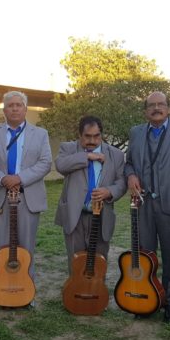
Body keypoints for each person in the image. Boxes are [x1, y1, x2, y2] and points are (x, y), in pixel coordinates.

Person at [124, 91, 170, 321]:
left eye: (161, 104)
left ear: (169, 109)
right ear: (146, 110)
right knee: (145, 255)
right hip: (143, 204)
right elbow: (128, 164)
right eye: (152, 105)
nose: (156, 108)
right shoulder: (136, 133)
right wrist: (131, 175)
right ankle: (146, 298)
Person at [0, 91, 52, 299]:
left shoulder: (40, 134)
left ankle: (25, 291)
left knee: (26, 246)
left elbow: (45, 163)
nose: (14, 108)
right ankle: (4, 289)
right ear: (4, 110)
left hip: (27, 196)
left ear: (25, 109)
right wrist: (3, 179)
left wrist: (19, 178)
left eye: (18, 105)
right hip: (1, 195)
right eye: (10, 105)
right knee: (4, 245)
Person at [55, 115, 127, 270]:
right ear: (80, 135)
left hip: (102, 218)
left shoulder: (116, 154)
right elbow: (61, 165)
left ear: (102, 135)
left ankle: (97, 293)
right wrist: (87, 156)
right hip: (75, 216)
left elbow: (122, 183)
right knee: (76, 264)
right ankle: (75, 293)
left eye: (97, 136)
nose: (92, 141)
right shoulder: (68, 148)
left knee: (99, 264)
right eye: (87, 136)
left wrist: (109, 191)